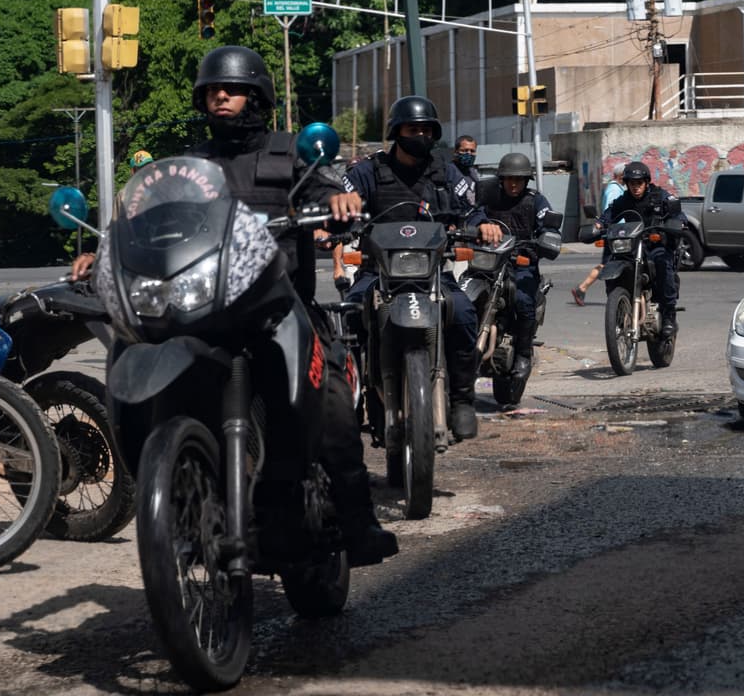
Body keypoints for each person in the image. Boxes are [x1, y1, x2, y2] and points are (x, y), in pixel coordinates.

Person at [73, 45, 397, 567]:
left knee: (333, 402)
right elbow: (144, 221)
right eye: (211, 90)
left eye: (232, 88)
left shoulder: (291, 154)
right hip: (205, 311)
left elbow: (328, 189)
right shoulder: (188, 167)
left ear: (258, 95)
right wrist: (106, 248)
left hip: (278, 303)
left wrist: (341, 201)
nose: (220, 95)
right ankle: (184, 491)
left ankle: (359, 523)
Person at [341, 95, 500, 441]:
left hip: (432, 275)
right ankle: (350, 405)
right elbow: (343, 199)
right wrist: (338, 216)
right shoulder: (369, 170)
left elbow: (471, 208)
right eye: (414, 129)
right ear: (397, 132)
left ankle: (461, 400)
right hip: (377, 273)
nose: (421, 136)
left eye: (428, 130)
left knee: (462, 312)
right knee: (350, 316)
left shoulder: (447, 170)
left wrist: (483, 224)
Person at [480, 152, 560, 386]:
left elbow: (549, 225)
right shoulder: (489, 197)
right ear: (501, 179)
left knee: (523, 300)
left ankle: (524, 353)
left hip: (521, 262)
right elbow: (472, 217)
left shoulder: (536, 201)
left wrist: (548, 236)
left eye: (518, 179)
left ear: (526, 180)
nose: (513, 183)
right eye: (508, 178)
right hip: (489, 261)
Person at [592, 160, 682, 337]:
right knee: (613, 264)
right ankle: (618, 307)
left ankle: (669, 315)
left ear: (646, 182)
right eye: (632, 184)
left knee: (663, 264)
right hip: (632, 246)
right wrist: (597, 225)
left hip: (655, 245)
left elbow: (676, 212)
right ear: (626, 184)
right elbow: (609, 215)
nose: (636, 187)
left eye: (639, 183)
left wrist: (679, 221)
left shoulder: (659, 196)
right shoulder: (623, 201)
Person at [572, 161, 625, 306]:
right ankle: (582, 288)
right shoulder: (614, 190)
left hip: (619, 234)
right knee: (608, 265)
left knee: (607, 264)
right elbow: (612, 212)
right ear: (621, 176)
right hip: (617, 235)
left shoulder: (617, 188)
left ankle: (582, 288)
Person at [452, 134, 482, 205]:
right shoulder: (449, 171)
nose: (469, 153)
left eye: (472, 151)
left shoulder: (472, 172)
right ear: (455, 152)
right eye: (465, 150)